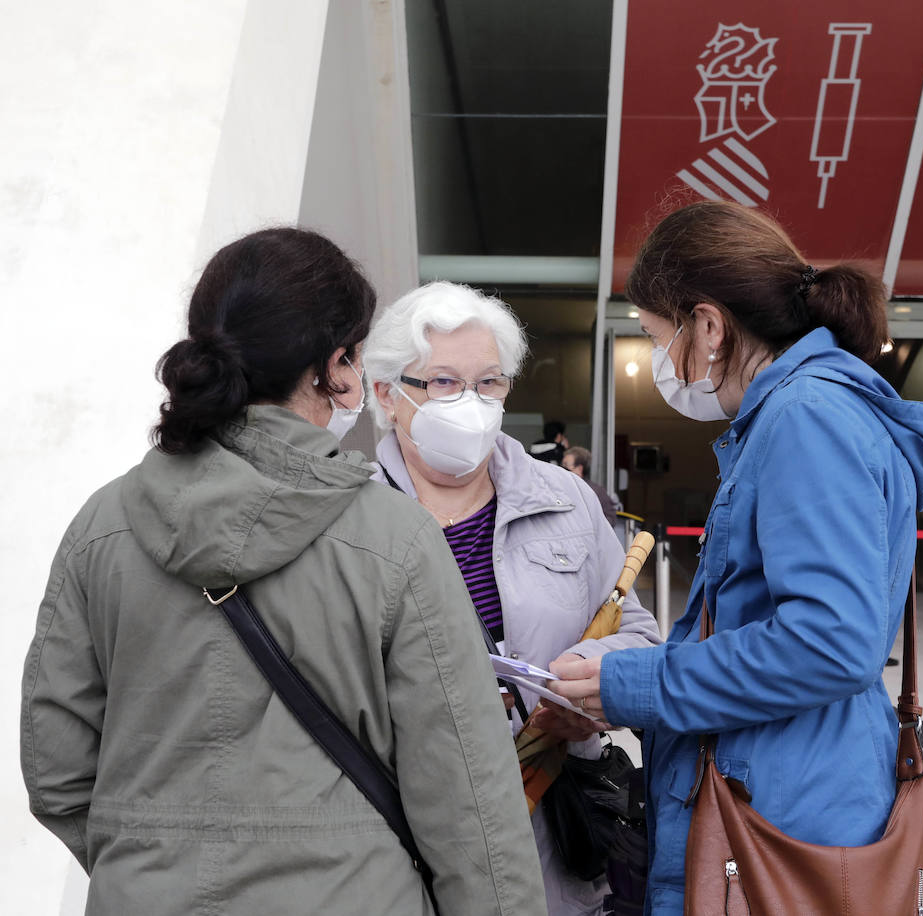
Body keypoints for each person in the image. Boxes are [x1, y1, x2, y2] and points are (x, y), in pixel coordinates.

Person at [20, 228, 545, 915]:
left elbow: (56, 766)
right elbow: (471, 800)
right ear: (337, 365)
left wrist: (148, 856)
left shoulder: (102, 527)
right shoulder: (395, 539)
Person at [548, 201, 923, 913]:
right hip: (797, 792)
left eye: (654, 334)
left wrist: (635, 683)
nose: (657, 360)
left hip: (780, 815)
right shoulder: (807, 410)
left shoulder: (805, 417)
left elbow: (829, 644)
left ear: (707, 325)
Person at [362, 281, 662, 916]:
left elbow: (639, 633)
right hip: (404, 845)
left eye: (489, 383)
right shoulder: (350, 517)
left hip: (555, 833)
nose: (470, 403)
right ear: (388, 396)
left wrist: (591, 683)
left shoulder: (567, 499)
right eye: (443, 383)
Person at [562, 445, 622, 527]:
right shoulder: (558, 488)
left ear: (579, 469)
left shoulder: (595, 491)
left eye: (566, 466)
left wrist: (589, 527)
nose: (561, 469)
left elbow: (610, 518)